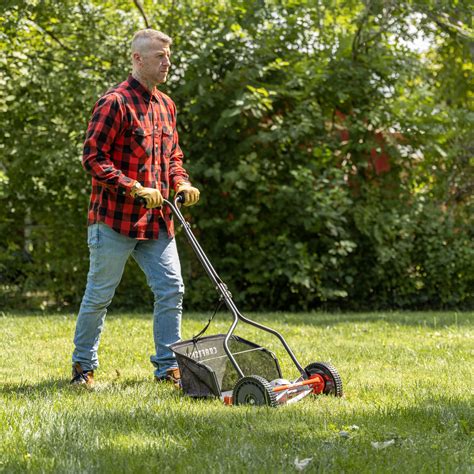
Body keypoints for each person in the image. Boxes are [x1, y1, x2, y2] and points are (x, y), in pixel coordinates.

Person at [70, 29, 199, 388]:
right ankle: (83, 368)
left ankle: (167, 368)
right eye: (160, 56)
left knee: (172, 288)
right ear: (138, 59)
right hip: (113, 220)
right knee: (99, 295)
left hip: (156, 221)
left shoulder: (166, 105)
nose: (167, 62)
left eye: (169, 56)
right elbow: (93, 157)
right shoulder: (115, 102)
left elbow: (172, 155)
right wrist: (133, 187)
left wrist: (182, 182)